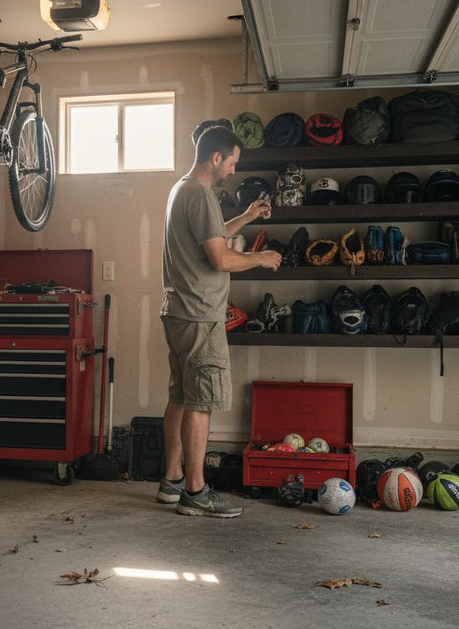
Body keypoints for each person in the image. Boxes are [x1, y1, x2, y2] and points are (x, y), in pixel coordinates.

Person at [157, 123, 282, 517]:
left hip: (178, 312)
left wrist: (245, 216)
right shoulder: (202, 195)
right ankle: (196, 490)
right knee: (201, 402)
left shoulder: (183, 190)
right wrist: (262, 259)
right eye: (232, 162)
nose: (232, 170)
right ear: (216, 157)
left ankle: (172, 481)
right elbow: (221, 258)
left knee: (180, 397)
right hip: (199, 316)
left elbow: (211, 238)